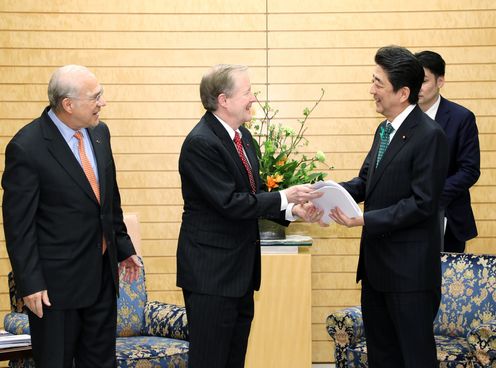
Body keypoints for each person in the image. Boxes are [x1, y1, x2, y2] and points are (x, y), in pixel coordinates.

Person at [176, 64, 322, 368]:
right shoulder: (201, 143)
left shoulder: (242, 137)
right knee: (210, 360)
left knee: (233, 360)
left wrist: (292, 211)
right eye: (247, 92)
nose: (254, 98)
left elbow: (250, 197)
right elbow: (229, 203)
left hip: (240, 273)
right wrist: (285, 196)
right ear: (223, 99)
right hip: (211, 275)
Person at [2, 65, 142, 368]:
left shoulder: (100, 133)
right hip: (56, 289)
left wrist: (124, 248)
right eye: (96, 97)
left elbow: (108, 201)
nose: (102, 103)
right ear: (68, 104)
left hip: (102, 279)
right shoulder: (27, 147)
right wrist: (30, 283)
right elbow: (18, 225)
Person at [327, 46, 449, 367]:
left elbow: (422, 204)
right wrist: (326, 192)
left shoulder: (429, 135)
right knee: (382, 358)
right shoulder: (384, 130)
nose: (372, 90)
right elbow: (365, 182)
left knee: (415, 358)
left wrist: (365, 220)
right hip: (376, 270)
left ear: (403, 92)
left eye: (378, 83)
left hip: (409, 275)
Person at [415, 50, 480, 253]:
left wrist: (431, 197)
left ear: (440, 81)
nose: (418, 87)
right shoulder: (401, 118)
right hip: (406, 218)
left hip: (449, 216)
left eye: (424, 81)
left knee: (448, 283)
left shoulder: (462, 118)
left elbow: (469, 170)